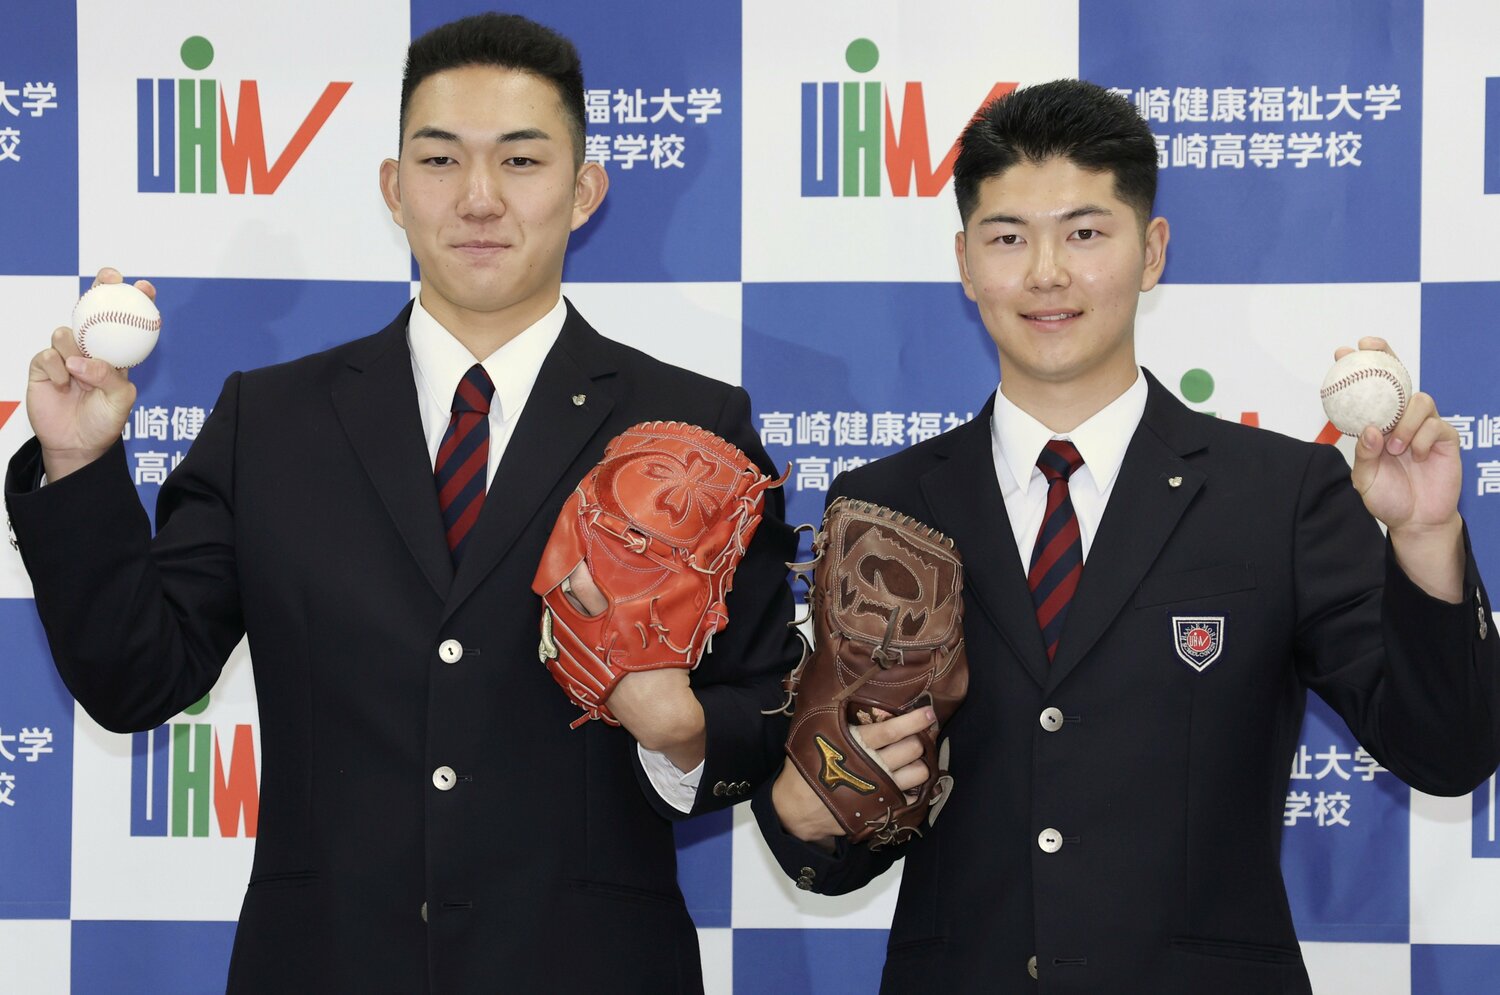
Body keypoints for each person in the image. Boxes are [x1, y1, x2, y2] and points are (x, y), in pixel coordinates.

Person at [7, 13, 797, 993]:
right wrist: (79, 464)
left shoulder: (690, 425)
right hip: (324, 963)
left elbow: (769, 702)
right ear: (393, 187)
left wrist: (682, 731)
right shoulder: (272, 421)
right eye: (440, 159)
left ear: (585, 189)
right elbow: (136, 677)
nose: (478, 197)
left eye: (521, 160)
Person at [753, 78, 1499, 994]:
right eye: (1007, 237)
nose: (1046, 273)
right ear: (964, 262)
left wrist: (1426, 539)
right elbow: (839, 822)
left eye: (1084, 233)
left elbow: (1446, 751)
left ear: (1152, 252)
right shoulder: (885, 505)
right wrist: (802, 808)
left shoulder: (1280, 493)